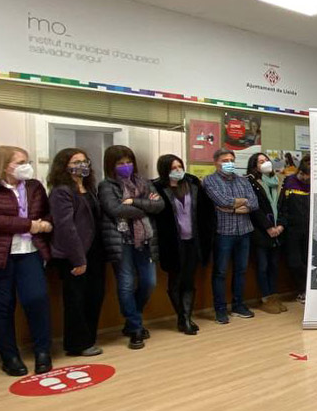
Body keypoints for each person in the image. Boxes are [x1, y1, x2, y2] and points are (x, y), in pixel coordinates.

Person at [0, 146, 52, 375]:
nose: (26, 166)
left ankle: (43, 352)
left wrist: (46, 223)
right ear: (4, 165)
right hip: (1, 256)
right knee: (2, 307)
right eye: (20, 162)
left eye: (27, 161)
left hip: (30, 251)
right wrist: (28, 225)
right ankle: (10, 357)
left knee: (37, 300)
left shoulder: (34, 186)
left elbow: (46, 212)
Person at [98, 145, 164, 349]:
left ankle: (132, 319)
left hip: (144, 240)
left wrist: (133, 201)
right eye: (120, 163)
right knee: (126, 284)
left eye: (129, 162)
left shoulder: (144, 182)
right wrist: (144, 206)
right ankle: (135, 327)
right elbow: (115, 209)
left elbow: (159, 205)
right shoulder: (106, 186)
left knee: (149, 282)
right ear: (111, 165)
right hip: (121, 242)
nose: (126, 166)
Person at [47, 148, 105, 357]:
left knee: (94, 295)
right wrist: (79, 259)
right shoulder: (61, 191)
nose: (82, 165)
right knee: (76, 299)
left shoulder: (89, 188)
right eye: (76, 161)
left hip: (95, 250)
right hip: (75, 253)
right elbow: (66, 228)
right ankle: (76, 344)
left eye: (84, 161)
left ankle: (89, 338)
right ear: (64, 166)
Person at [151, 154, 211, 335]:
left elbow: (205, 211)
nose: (178, 170)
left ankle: (185, 318)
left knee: (189, 280)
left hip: (193, 241)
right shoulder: (157, 188)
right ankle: (183, 318)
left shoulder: (192, 185)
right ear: (164, 171)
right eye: (173, 168)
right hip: (172, 243)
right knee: (175, 280)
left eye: (180, 167)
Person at [202, 149, 258, 324]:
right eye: (225, 160)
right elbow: (222, 201)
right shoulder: (209, 180)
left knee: (241, 270)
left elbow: (254, 203)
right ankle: (220, 309)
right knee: (220, 272)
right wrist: (241, 202)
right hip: (223, 232)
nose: (229, 163)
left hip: (244, 231)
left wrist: (233, 208)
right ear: (216, 162)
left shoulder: (243, 180)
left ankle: (238, 305)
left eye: (231, 160)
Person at [245, 152, 286, 315]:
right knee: (262, 266)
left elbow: (283, 206)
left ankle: (274, 297)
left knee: (274, 266)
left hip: (278, 231)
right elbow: (255, 209)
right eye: (260, 161)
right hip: (261, 232)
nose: (265, 163)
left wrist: (281, 225)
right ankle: (266, 298)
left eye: (266, 160)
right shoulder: (251, 182)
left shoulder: (279, 181)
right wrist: (268, 227)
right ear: (255, 166)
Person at [279, 156, 310, 302]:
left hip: (308, 229)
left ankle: (308, 291)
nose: (308, 180)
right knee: (294, 262)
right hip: (292, 230)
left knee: (308, 261)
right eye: (307, 177)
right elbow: (282, 205)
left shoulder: (314, 184)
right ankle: (302, 289)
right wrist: (282, 223)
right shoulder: (289, 182)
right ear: (301, 172)